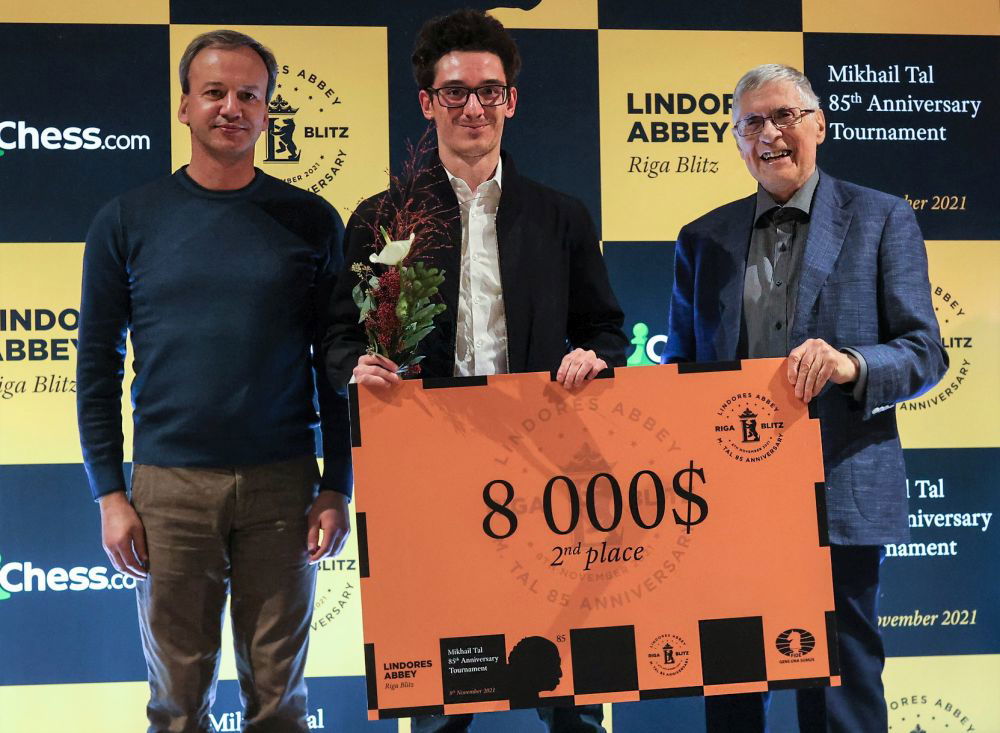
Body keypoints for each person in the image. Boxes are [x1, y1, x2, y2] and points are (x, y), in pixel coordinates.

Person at [325, 9, 626, 733]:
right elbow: (337, 336)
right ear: (427, 103)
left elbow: (605, 329)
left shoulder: (561, 216)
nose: (473, 107)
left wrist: (595, 358)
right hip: (427, 467)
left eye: (489, 91)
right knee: (442, 690)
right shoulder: (381, 218)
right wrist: (352, 368)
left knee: (570, 688)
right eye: (454, 92)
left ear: (510, 101)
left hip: (548, 470)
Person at [77, 29, 352, 733]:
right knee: (175, 706)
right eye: (215, 92)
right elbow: (96, 364)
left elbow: (335, 363)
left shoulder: (312, 220)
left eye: (249, 95)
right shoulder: (125, 221)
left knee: (281, 704)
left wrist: (337, 484)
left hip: (284, 486)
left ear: (266, 112)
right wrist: (110, 493)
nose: (232, 107)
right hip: (168, 490)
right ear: (184, 106)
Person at [662, 63, 948, 732]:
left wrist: (851, 363)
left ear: (819, 124)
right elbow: (679, 370)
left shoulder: (881, 218)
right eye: (752, 123)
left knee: (842, 691)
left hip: (840, 484)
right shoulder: (702, 238)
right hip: (729, 500)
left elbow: (925, 352)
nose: (770, 134)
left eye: (785, 116)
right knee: (733, 687)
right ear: (737, 141)